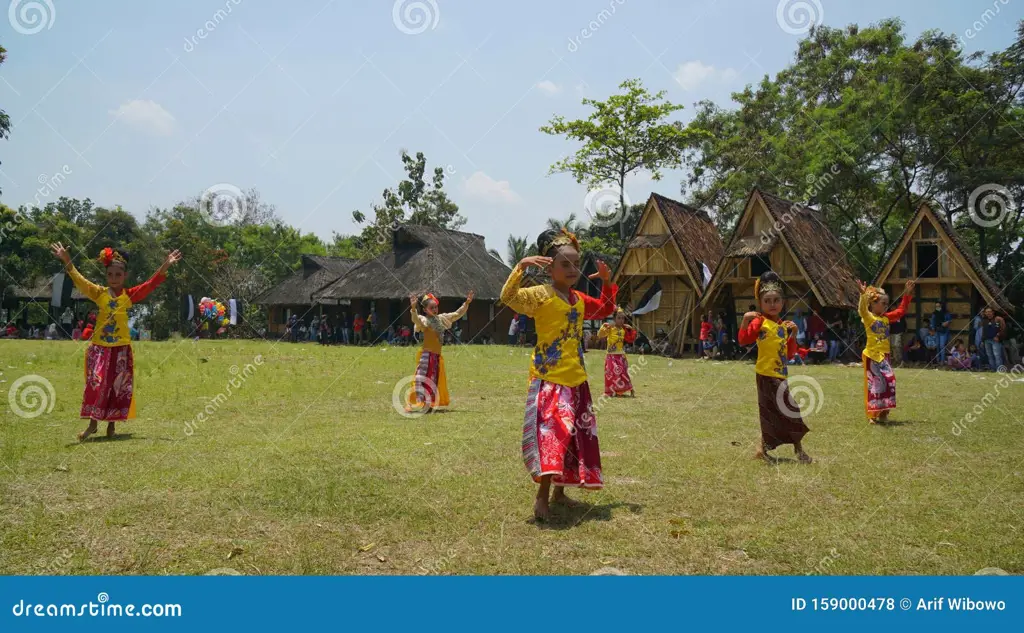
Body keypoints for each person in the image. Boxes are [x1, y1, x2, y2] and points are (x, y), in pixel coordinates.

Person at [500, 229, 617, 521]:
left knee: (574, 437)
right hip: (549, 379)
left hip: (576, 379)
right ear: (549, 267)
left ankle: (560, 493)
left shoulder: (578, 299)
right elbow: (508, 297)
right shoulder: (540, 296)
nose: (573, 270)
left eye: (576, 264)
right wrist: (521, 267)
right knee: (553, 437)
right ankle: (541, 497)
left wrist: (605, 281)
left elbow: (605, 309)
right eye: (565, 264)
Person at [50, 242, 181, 441]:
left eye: (118, 275)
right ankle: (92, 424)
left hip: (121, 349)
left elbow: (151, 283)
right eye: (110, 275)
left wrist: (166, 265)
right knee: (96, 383)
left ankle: (112, 424)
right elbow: (79, 280)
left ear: (125, 276)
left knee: (116, 387)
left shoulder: (129, 296)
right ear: (106, 275)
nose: (113, 279)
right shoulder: (99, 293)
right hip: (100, 349)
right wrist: (67, 260)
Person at [737, 271, 812, 464]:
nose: (772, 304)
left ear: (783, 302)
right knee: (778, 411)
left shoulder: (783, 326)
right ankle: (794, 451)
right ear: (761, 303)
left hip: (781, 374)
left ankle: (769, 449)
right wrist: (745, 320)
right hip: (765, 375)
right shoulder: (759, 322)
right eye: (767, 300)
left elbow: (788, 354)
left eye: (776, 300)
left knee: (786, 411)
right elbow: (743, 340)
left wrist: (793, 334)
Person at [856, 279, 915, 424]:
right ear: (873, 304)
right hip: (872, 355)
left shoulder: (886, 318)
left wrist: (906, 295)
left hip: (884, 356)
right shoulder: (869, 318)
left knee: (889, 381)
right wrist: (863, 295)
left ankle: (884, 412)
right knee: (875, 384)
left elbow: (901, 311)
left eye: (886, 304)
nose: (885, 306)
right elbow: (862, 310)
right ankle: (872, 415)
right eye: (883, 303)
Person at [406, 291, 474, 414]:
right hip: (426, 356)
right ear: (425, 310)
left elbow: (457, 314)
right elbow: (415, 320)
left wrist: (466, 303)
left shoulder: (442, 319)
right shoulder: (424, 320)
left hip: (436, 357)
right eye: (431, 308)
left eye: (435, 307)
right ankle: (422, 403)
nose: (435, 309)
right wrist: (413, 307)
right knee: (421, 379)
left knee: (433, 380)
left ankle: (429, 404)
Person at [597, 308, 637, 398]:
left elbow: (631, 339)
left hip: (621, 356)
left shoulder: (624, 329)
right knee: (610, 374)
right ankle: (610, 391)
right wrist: (605, 326)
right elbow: (600, 335)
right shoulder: (610, 328)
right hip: (611, 356)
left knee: (623, 374)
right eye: (619, 318)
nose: (621, 320)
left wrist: (630, 329)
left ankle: (630, 389)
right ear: (614, 319)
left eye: (623, 318)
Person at [981, 307, 1007, 371]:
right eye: (986, 312)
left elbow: (1003, 328)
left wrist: (998, 336)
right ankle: (993, 369)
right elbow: (984, 331)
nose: (988, 313)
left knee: (997, 355)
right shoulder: (984, 320)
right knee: (989, 355)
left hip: (995, 340)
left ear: (993, 312)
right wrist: (982, 340)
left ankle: (999, 369)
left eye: (989, 311)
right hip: (987, 340)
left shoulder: (998, 319)